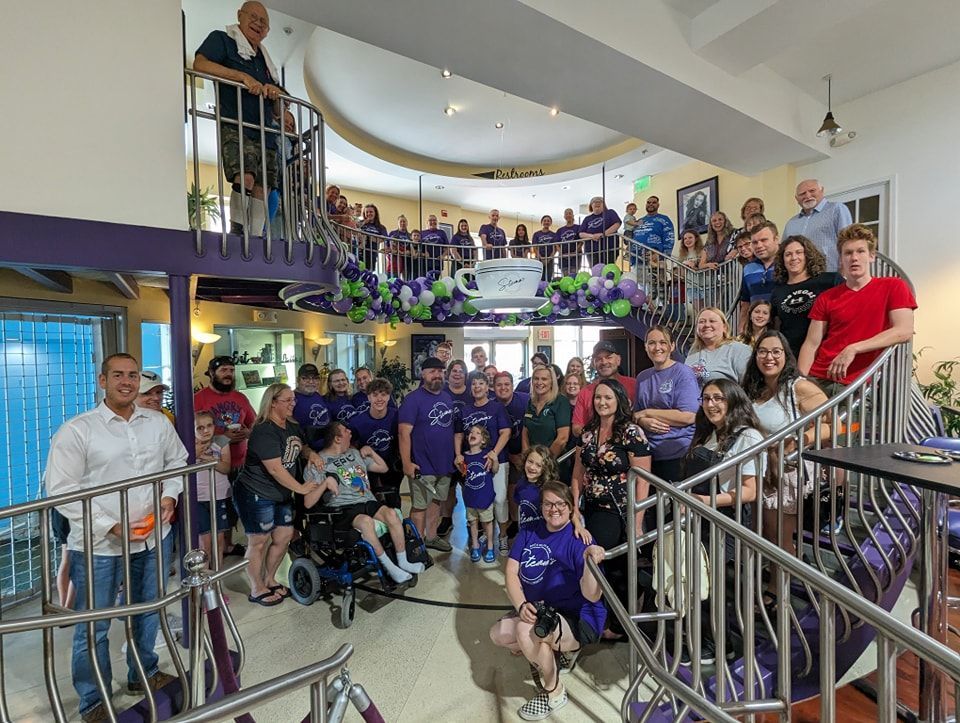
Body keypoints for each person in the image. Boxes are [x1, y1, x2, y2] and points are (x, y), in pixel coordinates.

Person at [46, 353, 186, 721]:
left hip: (155, 535)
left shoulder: (157, 424)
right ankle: (93, 700)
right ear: (102, 380)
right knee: (94, 625)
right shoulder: (77, 430)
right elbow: (61, 490)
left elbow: (176, 463)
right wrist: (110, 525)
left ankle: (144, 673)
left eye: (133, 375)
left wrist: (170, 496)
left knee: (147, 611)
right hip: (98, 546)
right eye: (119, 375)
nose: (127, 381)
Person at [490, 482, 606, 720]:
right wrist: (521, 604)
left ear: (571, 508)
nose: (554, 509)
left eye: (560, 503)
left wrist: (590, 564)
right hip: (543, 611)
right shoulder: (530, 531)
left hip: (578, 618)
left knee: (525, 630)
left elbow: (592, 595)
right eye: (548, 503)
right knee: (498, 634)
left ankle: (555, 691)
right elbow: (511, 572)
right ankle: (551, 651)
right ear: (541, 506)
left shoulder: (579, 539)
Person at [571, 378, 651, 639]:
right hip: (591, 507)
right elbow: (577, 471)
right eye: (598, 398)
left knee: (613, 567)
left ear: (618, 400)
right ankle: (602, 619)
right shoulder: (588, 431)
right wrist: (575, 507)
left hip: (618, 510)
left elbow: (642, 478)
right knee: (603, 565)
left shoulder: (630, 432)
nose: (602, 402)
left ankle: (618, 625)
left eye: (608, 397)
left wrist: (637, 522)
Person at [194, 2, 282, 236]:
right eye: (253, 17)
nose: (258, 24)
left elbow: (280, 105)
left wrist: (277, 97)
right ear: (240, 16)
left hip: (266, 133)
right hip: (237, 124)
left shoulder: (265, 61)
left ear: (267, 31)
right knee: (245, 176)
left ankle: (254, 237)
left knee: (264, 185)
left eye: (264, 22)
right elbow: (200, 64)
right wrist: (241, 76)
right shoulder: (222, 40)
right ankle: (238, 232)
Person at [799, 224, 917, 394]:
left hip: (857, 384)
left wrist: (853, 348)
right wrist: (800, 383)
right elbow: (811, 344)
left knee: (843, 422)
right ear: (841, 259)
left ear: (872, 256)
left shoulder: (893, 286)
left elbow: (904, 331)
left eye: (860, 251)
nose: (854, 258)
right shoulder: (827, 297)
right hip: (818, 379)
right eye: (848, 253)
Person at [233, 383, 322, 606]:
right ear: (273, 402)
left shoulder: (291, 425)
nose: (293, 403)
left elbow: (302, 446)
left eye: (293, 400)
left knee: (283, 537)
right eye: (288, 400)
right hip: (256, 492)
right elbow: (275, 468)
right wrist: (300, 488)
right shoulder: (264, 430)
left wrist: (311, 454)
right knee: (258, 541)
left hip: (281, 493)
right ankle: (257, 588)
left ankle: (270, 578)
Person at [304, 422, 425, 583]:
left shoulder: (354, 453)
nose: (350, 433)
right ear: (337, 439)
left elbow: (383, 468)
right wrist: (325, 483)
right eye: (346, 431)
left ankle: (403, 561)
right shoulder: (318, 463)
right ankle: (390, 567)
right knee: (366, 522)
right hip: (342, 508)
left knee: (391, 513)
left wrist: (372, 453)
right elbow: (308, 502)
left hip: (366, 500)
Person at [742, 331, 829, 553]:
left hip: (785, 470)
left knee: (778, 537)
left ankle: (779, 587)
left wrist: (800, 440)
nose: (768, 357)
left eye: (775, 351)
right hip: (758, 468)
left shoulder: (798, 387)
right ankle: (765, 580)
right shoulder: (754, 387)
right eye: (762, 351)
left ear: (785, 355)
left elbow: (834, 423)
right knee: (762, 533)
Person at [398, 357, 457, 551]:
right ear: (423, 374)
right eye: (432, 371)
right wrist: (407, 463)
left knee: (436, 502)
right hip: (422, 465)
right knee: (420, 506)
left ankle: (431, 537)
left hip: (444, 463)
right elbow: (403, 433)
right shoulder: (412, 399)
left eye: (440, 371)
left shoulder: (447, 398)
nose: (437, 375)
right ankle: (417, 543)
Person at [633, 326, 699, 483]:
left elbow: (689, 416)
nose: (657, 348)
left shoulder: (683, 373)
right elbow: (636, 414)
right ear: (645, 346)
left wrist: (648, 412)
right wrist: (642, 420)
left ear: (672, 346)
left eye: (663, 342)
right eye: (652, 343)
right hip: (648, 455)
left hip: (678, 455)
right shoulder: (642, 377)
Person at [455, 372, 512, 556]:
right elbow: (458, 435)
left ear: (488, 387)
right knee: (476, 501)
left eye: (481, 383)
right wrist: (458, 455)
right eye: (474, 384)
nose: (477, 387)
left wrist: (494, 453)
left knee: (499, 500)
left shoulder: (496, 408)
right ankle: (481, 537)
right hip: (473, 463)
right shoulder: (465, 410)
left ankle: (502, 536)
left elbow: (506, 432)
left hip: (497, 460)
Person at [769, 235, 843, 357]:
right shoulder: (778, 291)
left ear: (807, 255)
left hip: (826, 354)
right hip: (791, 356)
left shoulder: (830, 280)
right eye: (788, 254)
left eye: (799, 252)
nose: (794, 258)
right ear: (782, 260)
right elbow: (776, 327)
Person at [194, 355, 256, 482]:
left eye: (231, 370)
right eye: (223, 370)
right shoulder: (198, 399)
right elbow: (192, 437)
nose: (228, 374)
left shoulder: (240, 398)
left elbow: (254, 424)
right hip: (212, 466)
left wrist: (249, 433)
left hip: (241, 464)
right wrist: (224, 439)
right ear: (211, 373)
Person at [348, 377, 402, 508]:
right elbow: (349, 445)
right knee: (374, 503)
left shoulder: (397, 416)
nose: (379, 399)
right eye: (375, 395)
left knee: (394, 501)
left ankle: (397, 525)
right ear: (368, 397)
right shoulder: (357, 421)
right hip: (369, 467)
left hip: (392, 465)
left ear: (389, 397)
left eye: (383, 395)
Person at [782, 180, 854, 273]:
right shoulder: (791, 223)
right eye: (802, 194)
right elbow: (783, 252)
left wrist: (845, 273)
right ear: (796, 198)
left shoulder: (836, 209)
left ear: (822, 191)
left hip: (830, 275)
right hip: (800, 279)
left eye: (812, 191)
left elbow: (849, 242)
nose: (807, 196)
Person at [571, 341, 637, 437]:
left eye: (608, 357)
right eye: (599, 359)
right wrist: (597, 437)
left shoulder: (635, 385)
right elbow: (577, 427)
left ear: (618, 360)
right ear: (593, 363)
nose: (604, 362)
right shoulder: (585, 392)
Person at [195, 410, 233, 573]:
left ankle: (216, 582)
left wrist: (210, 460)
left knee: (219, 541)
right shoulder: (188, 445)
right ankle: (204, 585)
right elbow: (184, 464)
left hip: (219, 496)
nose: (205, 431)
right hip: (198, 498)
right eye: (200, 427)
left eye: (209, 425)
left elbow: (226, 468)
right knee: (204, 544)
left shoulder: (221, 442)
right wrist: (198, 453)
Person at [437, 359, 471, 537]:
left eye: (461, 371)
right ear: (448, 375)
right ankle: (446, 518)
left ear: (466, 375)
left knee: (469, 485)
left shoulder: (471, 394)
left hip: (469, 448)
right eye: (454, 371)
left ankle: (471, 518)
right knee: (447, 487)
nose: (457, 373)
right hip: (445, 448)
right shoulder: (441, 393)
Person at [522, 366, 572, 480]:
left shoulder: (560, 401)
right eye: (536, 378)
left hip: (553, 465)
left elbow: (562, 438)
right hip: (532, 468)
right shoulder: (531, 402)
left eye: (544, 379)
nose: (539, 382)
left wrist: (544, 463)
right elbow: (525, 432)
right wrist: (527, 460)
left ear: (552, 382)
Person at [460, 425, 499, 563]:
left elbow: (494, 470)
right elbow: (463, 474)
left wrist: (495, 459)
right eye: (471, 432)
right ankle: (475, 545)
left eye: (477, 432)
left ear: (483, 440)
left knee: (487, 522)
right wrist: (458, 462)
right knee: (472, 522)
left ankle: (489, 546)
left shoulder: (486, 454)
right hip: (470, 497)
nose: (473, 434)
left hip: (485, 497)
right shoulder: (464, 456)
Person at [685, 307, 752, 387]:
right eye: (701, 322)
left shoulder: (739, 350)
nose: (706, 325)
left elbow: (751, 386)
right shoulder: (694, 350)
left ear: (724, 327)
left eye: (712, 321)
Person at [737, 221, 780, 333]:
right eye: (755, 242)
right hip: (756, 331)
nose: (759, 246)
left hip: (783, 328)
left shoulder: (787, 263)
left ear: (776, 240)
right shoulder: (748, 268)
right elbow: (746, 301)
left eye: (764, 240)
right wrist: (742, 326)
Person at [513, 445, 560, 530]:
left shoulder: (549, 490)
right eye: (530, 461)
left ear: (545, 468)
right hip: (525, 532)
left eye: (538, 465)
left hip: (543, 535)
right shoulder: (520, 484)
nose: (532, 467)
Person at [292, 363, 331, 450]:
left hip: (328, 446)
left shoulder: (317, 395)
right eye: (305, 378)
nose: (311, 382)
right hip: (309, 451)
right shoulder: (291, 398)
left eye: (315, 378)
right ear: (298, 380)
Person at [632, 195, 675, 268]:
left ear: (658, 205)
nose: (651, 204)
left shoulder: (664, 219)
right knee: (638, 279)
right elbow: (633, 238)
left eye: (654, 202)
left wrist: (664, 256)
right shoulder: (639, 221)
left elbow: (670, 238)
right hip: (638, 260)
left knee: (656, 279)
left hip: (656, 260)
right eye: (648, 202)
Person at [579, 197, 622, 268]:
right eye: (594, 202)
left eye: (600, 201)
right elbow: (581, 233)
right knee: (595, 270)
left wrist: (603, 234)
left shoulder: (610, 212)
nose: (597, 203)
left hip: (609, 248)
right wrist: (592, 236)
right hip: (592, 250)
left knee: (608, 269)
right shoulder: (587, 219)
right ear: (591, 205)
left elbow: (617, 224)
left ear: (604, 204)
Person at [357, 204, 386, 273]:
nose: (369, 214)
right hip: (359, 251)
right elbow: (355, 230)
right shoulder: (360, 223)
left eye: (371, 212)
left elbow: (383, 239)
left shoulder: (381, 227)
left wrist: (369, 237)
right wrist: (364, 222)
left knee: (368, 272)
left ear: (375, 213)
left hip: (372, 253)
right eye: (367, 212)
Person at [555, 208, 582, 276]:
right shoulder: (560, 230)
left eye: (570, 213)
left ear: (573, 215)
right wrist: (561, 253)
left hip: (575, 256)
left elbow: (581, 241)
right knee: (565, 276)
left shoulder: (578, 227)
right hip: (563, 256)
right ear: (564, 216)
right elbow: (557, 244)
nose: (568, 215)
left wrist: (575, 252)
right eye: (566, 214)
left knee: (574, 275)